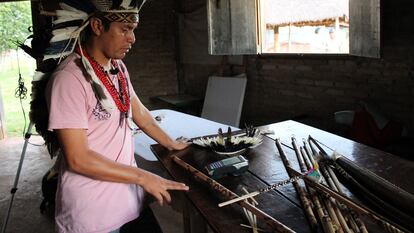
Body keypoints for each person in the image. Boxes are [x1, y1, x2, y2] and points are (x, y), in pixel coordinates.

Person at [33, 0, 190, 232]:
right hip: (92, 216)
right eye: (125, 30)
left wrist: (171, 143)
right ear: (97, 26)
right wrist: (143, 177)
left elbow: (141, 114)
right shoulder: (69, 79)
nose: (132, 39)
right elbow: (78, 158)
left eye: (133, 30)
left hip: (129, 203)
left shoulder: (118, 68)